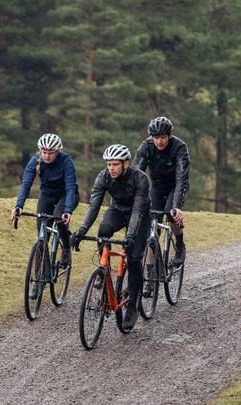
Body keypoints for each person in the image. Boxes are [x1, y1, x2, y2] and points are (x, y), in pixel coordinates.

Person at [71, 144, 150, 331]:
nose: (111, 168)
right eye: (108, 164)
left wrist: (130, 236)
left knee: (133, 257)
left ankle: (132, 307)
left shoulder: (140, 178)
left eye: (115, 164)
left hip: (140, 215)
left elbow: (138, 211)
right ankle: (103, 271)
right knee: (104, 230)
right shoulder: (103, 177)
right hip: (118, 210)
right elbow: (94, 207)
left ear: (126, 164)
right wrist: (81, 232)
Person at [10, 133, 79, 297]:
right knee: (42, 237)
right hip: (47, 196)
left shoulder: (66, 161)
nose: (47, 155)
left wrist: (68, 209)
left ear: (57, 151)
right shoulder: (35, 161)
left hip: (66, 196)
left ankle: (66, 249)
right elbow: (26, 185)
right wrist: (18, 206)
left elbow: (70, 187)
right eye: (44, 152)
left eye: (51, 152)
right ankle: (40, 280)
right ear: (40, 150)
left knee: (59, 218)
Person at [133, 116, 189, 267]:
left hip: (175, 186)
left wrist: (176, 206)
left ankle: (180, 245)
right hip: (157, 187)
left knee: (171, 214)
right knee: (152, 226)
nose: (160, 141)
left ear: (169, 136)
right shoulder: (146, 146)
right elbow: (136, 174)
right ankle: (151, 272)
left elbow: (181, 178)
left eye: (163, 137)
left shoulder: (179, 147)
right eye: (156, 138)